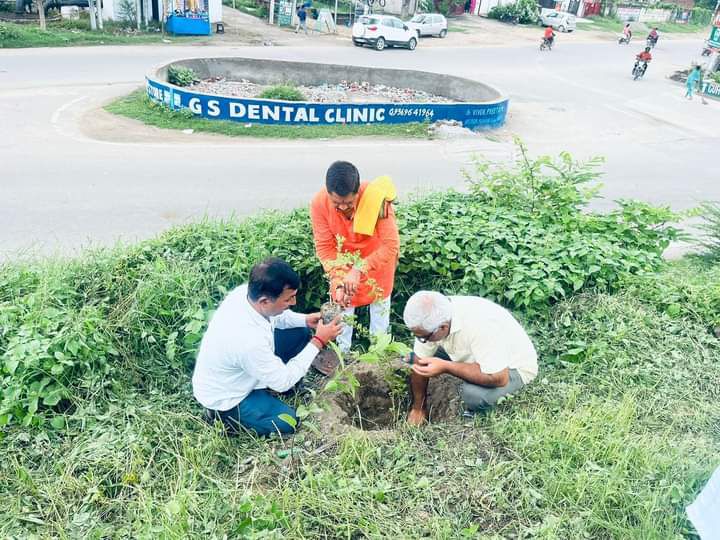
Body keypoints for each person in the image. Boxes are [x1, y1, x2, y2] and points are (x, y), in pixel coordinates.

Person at [192, 257, 343, 436]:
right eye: (288, 299)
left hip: (246, 368)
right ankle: (224, 419)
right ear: (264, 301)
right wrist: (318, 341)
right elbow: (282, 381)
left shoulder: (246, 294)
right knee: (288, 422)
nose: (293, 303)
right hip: (229, 397)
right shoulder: (246, 341)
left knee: (299, 332)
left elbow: (277, 316)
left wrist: (304, 319)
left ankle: (268, 388)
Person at [403, 291, 538, 425]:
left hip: (512, 367)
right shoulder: (434, 318)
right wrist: (418, 408)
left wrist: (446, 367)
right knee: (417, 358)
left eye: (424, 337)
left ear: (443, 327)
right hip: (478, 352)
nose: (421, 341)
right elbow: (420, 361)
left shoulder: (480, 325)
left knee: (474, 396)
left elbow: (499, 378)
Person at [310, 161, 400, 352]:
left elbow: (390, 246)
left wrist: (359, 269)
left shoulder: (376, 198)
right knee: (342, 308)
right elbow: (325, 248)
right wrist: (339, 278)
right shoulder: (319, 204)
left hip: (377, 262)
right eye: (337, 204)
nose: (343, 208)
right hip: (342, 266)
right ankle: (342, 355)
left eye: (349, 203)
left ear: (358, 192)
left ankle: (379, 353)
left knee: (380, 311)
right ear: (328, 193)